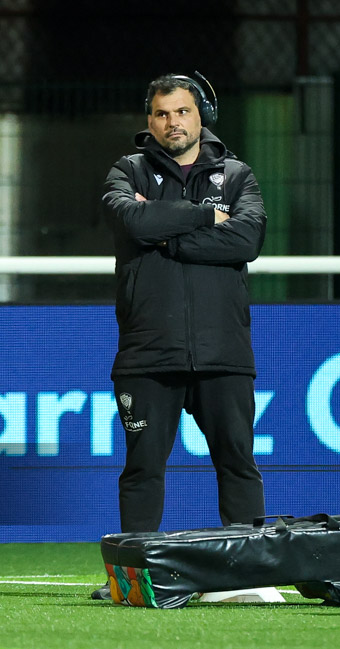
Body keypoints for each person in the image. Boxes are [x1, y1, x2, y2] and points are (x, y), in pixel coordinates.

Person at [97, 72, 267, 592]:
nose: (173, 122)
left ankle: (252, 574)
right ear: (149, 121)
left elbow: (246, 241)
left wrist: (170, 236)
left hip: (224, 351)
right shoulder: (125, 171)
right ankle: (133, 578)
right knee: (142, 468)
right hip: (148, 352)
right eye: (163, 113)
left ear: (202, 116)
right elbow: (133, 225)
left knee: (238, 462)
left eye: (183, 112)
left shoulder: (238, 175)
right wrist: (204, 218)